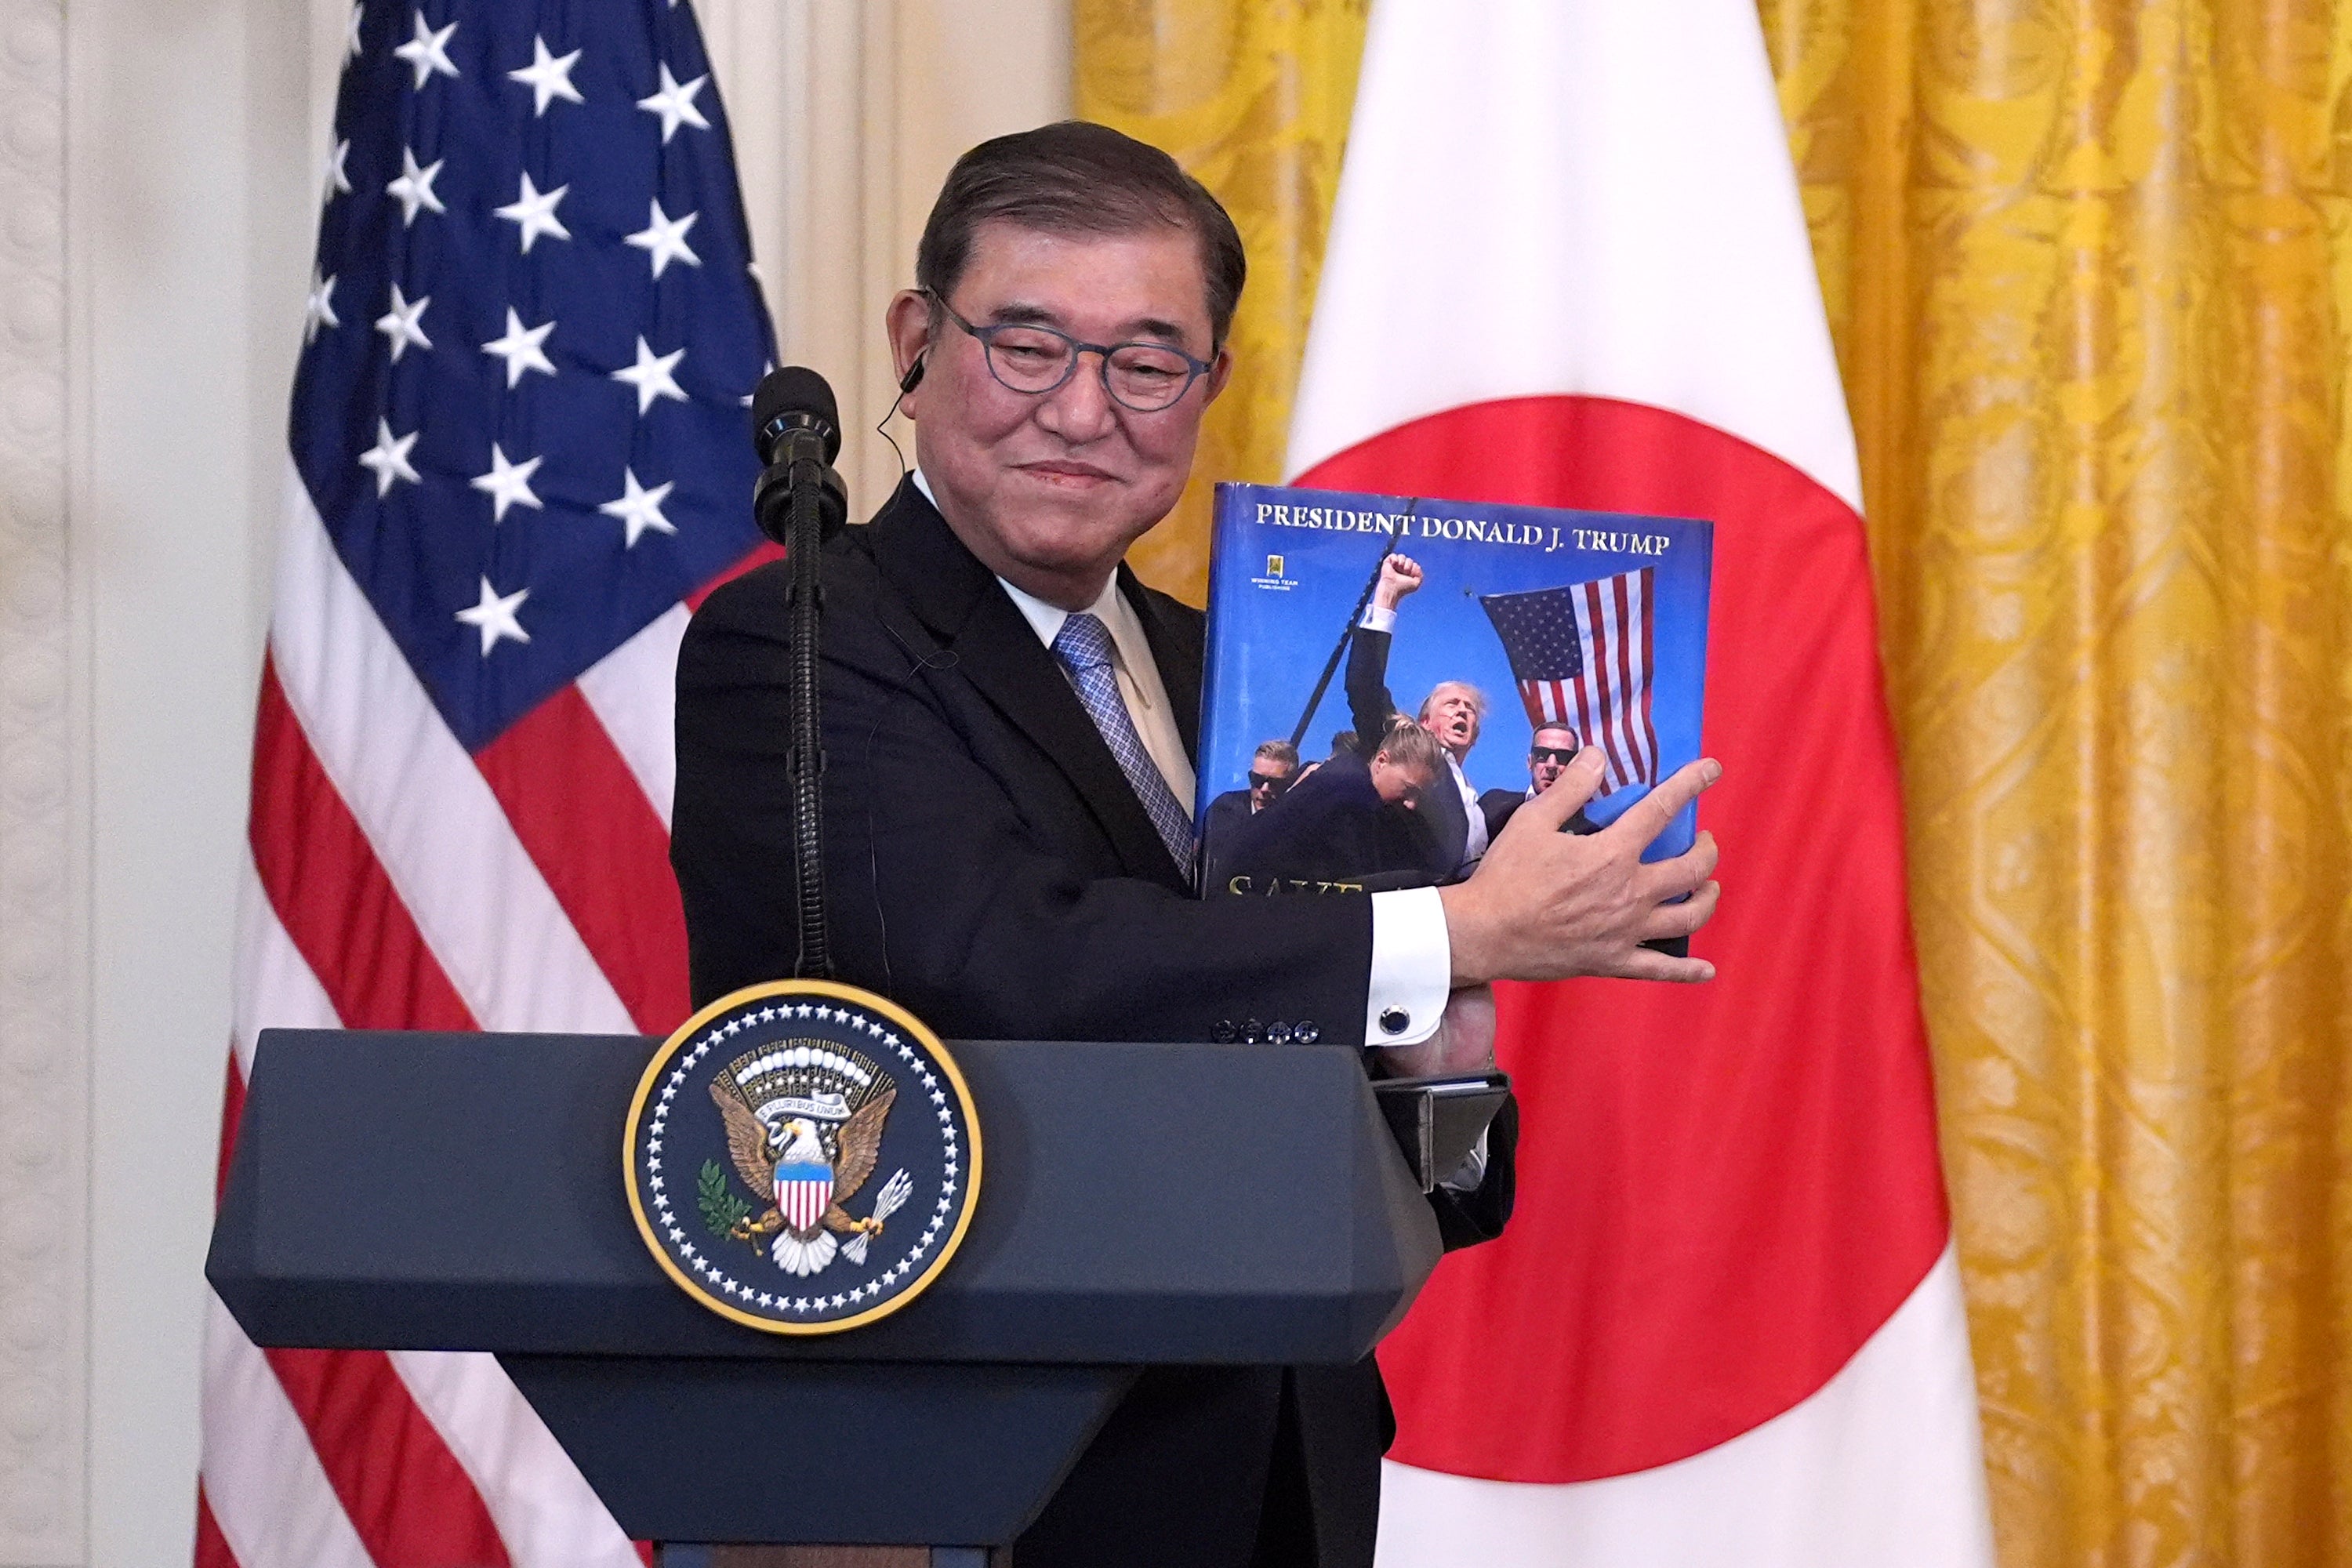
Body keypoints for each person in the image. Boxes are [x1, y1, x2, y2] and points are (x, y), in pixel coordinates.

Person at [671, 121, 1721, 1568]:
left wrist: (1448, 1055)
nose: (1084, 410)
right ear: (917, 340)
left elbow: (1430, 1191)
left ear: (1208, 387)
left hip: (1277, 1483)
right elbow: (995, 968)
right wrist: (1454, 932)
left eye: (1147, 362)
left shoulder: (1215, 673)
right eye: (1027, 344)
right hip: (966, 1491)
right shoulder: (798, 640)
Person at [1344, 554, 1492, 878]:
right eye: (1452, 704)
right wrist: (1388, 596)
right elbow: (1364, 686)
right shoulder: (1404, 748)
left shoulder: (1476, 799)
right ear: (1425, 722)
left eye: (1470, 709)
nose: (1463, 711)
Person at [1217, 717, 1446, 892]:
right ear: (1382, 761)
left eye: (1420, 797)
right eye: (1408, 790)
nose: (1411, 804)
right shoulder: (1352, 793)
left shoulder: (1342, 777)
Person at [1479, 720, 1599, 841]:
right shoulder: (1493, 807)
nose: (1551, 765)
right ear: (1530, 762)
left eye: (1563, 756)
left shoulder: (1590, 837)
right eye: (1542, 754)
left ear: (1574, 765)